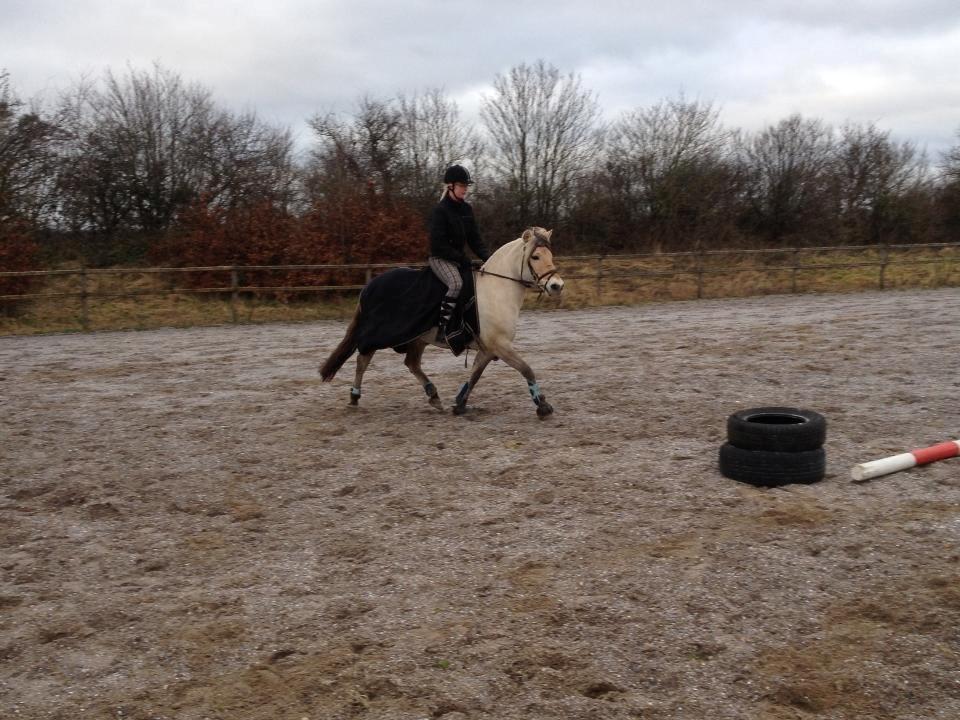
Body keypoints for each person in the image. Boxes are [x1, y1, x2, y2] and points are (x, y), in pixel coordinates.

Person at [427, 164, 491, 339]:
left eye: (466, 186)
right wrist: (462, 259)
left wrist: (490, 258)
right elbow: (438, 245)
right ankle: (442, 328)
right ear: (450, 187)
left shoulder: (466, 210)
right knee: (456, 283)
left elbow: (475, 240)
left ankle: (469, 326)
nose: (465, 190)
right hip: (439, 258)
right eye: (462, 186)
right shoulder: (440, 211)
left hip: (458, 259)